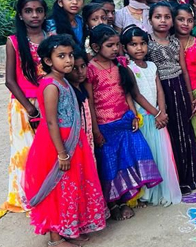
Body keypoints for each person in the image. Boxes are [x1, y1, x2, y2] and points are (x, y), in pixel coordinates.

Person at [23, 35, 107, 247]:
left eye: (70, 55)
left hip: (74, 141)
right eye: (61, 56)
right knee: (58, 189)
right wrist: (61, 153)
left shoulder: (65, 81)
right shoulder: (51, 85)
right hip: (57, 144)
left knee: (73, 184)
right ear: (48, 61)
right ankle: (55, 238)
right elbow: (50, 121)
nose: (68, 60)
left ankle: (70, 228)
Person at [86, 25, 162, 220]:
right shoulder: (91, 70)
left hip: (125, 120)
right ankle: (113, 204)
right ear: (96, 47)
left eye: (117, 45)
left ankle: (125, 198)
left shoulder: (119, 64)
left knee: (129, 158)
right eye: (109, 45)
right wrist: (95, 130)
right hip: (105, 125)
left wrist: (134, 114)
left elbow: (127, 92)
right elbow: (90, 104)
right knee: (110, 165)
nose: (115, 49)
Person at [0, 0, 48, 222]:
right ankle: (29, 197)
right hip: (24, 105)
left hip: (50, 101)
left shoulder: (51, 38)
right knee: (26, 151)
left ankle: (47, 194)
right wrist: (30, 109)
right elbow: (10, 80)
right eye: (29, 11)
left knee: (48, 150)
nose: (34, 15)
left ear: (45, 13)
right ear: (21, 15)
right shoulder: (13, 41)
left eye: (39, 10)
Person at [122, 25, 182, 207]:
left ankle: (162, 189)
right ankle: (147, 192)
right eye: (133, 45)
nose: (139, 48)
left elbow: (160, 90)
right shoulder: (128, 68)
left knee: (161, 152)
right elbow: (136, 95)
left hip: (157, 115)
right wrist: (156, 113)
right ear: (125, 48)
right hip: (144, 117)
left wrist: (162, 112)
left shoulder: (152, 66)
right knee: (148, 154)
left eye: (142, 44)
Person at [147, 2, 196, 193]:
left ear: (171, 21)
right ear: (150, 19)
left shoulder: (175, 42)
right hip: (159, 89)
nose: (163, 21)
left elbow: (185, 70)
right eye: (158, 17)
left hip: (179, 86)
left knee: (184, 130)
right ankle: (173, 178)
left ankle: (190, 175)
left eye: (166, 17)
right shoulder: (146, 42)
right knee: (167, 133)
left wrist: (189, 95)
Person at [175, 4, 196, 162]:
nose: (185, 23)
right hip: (176, 92)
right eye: (181, 19)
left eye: (189, 20)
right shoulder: (170, 44)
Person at [66, 47, 94, 153]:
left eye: (83, 66)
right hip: (76, 143)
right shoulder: (68, 91)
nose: (80, 72)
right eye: (74, 68)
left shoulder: (83, 88)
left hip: (88, 139)